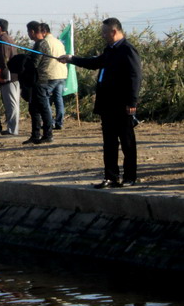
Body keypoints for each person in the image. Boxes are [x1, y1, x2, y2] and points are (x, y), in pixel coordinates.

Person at [60, 17, 142, 189]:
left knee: (127, 142)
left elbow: (135, 77)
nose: (102, 35)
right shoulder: (109, 50)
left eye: (104, 32)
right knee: (109, 143)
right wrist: (71, 59)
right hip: (107, 104)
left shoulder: (127, 50)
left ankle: (130, 177)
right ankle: (111, 177)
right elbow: (94, 63)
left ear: (114, 31)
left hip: (122, 104)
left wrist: (132, 102)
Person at [23, 21, 53, 145]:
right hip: (36, 81)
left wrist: (24, 60)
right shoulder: (40, 44)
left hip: (40, 81)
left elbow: (34, 64)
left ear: (32, 31)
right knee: (34, 109)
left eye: (28, 32)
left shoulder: (40, 45)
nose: (28, 34)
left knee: (43, 108)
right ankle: (35, 135)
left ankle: (47, 135)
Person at [0, 18, 20, 135]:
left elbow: (4, 59)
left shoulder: (3, 40)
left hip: (8, 76)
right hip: (12, 75)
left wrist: (2, 77)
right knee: (12, 103)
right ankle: (12, 128)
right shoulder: (9, 38)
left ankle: (12, 129)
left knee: (11, 104)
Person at [40, 23, 68, 130]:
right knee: (58, 98)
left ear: (44, 32)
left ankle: (50, 122)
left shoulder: (45, 42)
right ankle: (59, 122)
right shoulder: (58, 42)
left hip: (51, 74)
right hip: (62, 73)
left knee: (45, 97)